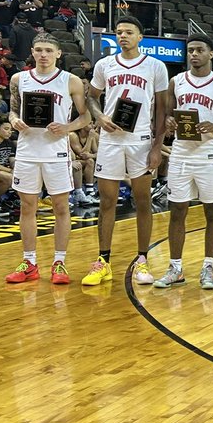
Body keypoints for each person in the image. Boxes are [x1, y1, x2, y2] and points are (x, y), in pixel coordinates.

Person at [82, 16, 171, 287]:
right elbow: (91, 97)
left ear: (140, 36)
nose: (123, 36)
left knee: (142, 200)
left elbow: (162, 109)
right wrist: (99, 117)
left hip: (141, 140)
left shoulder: (155, 66)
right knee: (107, 202)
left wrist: (157, 146)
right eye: (119, 32)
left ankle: (142, 259)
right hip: (111, 140)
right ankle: (103, 261)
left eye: (128, 32)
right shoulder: (104, 64)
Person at [4, 34, 91, 284]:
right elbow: (12, 109)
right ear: (32, 51)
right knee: (27, 207)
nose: (43, 55)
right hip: (27, 150)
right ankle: (29, 262)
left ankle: (59, 262)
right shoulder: (19, 79)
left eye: (48, 51)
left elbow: (85, 118)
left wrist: (67, 127)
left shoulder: (70, 81)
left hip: (56, 153)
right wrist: (13, 120)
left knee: (61, 207)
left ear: (58, 54)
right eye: (39, 50)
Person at [153, 35, 213, 291]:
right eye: (190, 50)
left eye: (199, 50)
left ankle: (208, 267)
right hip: (180, 153)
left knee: (212, 212)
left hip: (208, 154)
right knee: (177, 211)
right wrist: (169, 123)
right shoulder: (176, 82)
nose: (194, 54)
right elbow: (167, 117)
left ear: (211, 54)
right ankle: (175, 267)